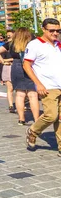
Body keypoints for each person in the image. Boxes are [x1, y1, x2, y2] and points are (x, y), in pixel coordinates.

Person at [25, 19, 61, 153]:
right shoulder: (35, 45)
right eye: (52, 30)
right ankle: (33, 131)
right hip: (47, 86)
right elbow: (26, 65)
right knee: (51, 115)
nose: (55, 33)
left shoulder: (58, 44)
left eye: (58, 30)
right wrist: (38, 84)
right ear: (44, 29)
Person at [0, 27, 38, 125]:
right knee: (33, 94)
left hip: (15, 66)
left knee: (19, 94)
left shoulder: (11, 44)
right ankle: (36, 120)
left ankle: (21, 119)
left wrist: (3, 61)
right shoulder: (32, 43)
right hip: (30, 66)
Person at [0, 32, 16, 114]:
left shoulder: (18, 45)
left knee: (18, 89)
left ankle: (18, 104)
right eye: (8, 36)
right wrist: (5, 61)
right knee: (10, 88)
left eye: (10, 35)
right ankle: (11, 105)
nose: (9, 36)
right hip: (8, 67)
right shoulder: (5, 46)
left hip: (15, 67)